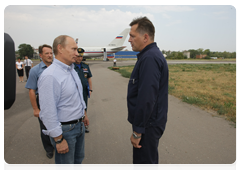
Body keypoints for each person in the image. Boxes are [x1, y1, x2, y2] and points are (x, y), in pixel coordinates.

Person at [38, 35, 89, 170]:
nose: (77, 53)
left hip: (79, 125)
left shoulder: (71, 70)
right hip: (65, 130)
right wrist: (58, 139)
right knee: (66, 167)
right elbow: (48, 111)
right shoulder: (51, 76)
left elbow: (77, 96)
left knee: (78, 162)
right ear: (60, 49)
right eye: (73, 49)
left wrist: (83, 113)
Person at [127, 16, 168, 170]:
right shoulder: (148, 56)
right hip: (148, 123)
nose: (129, 40)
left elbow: (147, 98)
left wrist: (138, 131)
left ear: (145, 37)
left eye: (132, 36)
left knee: (144, 165)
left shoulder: (150, 58)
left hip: (147, 125)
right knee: (146, 162)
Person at [25, 44, 54, 158]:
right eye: (47, 53)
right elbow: (31, 91)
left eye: (51, 53)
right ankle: (49, 148)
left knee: (59, 123)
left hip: (58, 100)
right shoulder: (35, 71)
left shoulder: (57, 67)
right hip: (42, 100)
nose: (50, 55)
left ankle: (59, 143)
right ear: (40, 55)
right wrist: (35, 109)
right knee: (45, 126)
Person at [74, 48, 92, 133]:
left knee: (84, 107)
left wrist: (90, 89)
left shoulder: (85, 65)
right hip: (74, 92)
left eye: (81, 56)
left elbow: (89, 78)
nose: (79, 58)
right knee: (75, 108)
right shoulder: (71, 66)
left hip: (84, 91)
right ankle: (76, 126)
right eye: (78, 56)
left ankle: (84, 126)